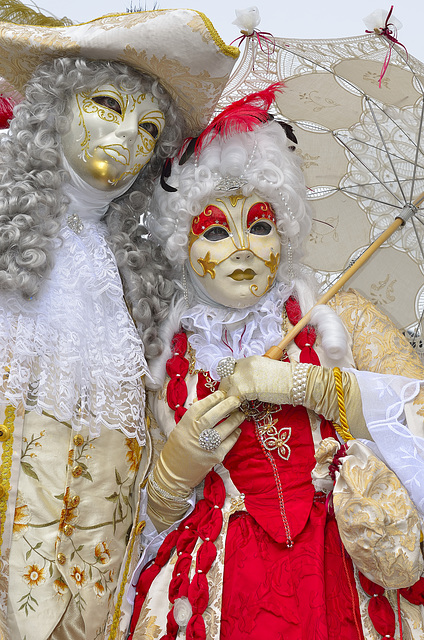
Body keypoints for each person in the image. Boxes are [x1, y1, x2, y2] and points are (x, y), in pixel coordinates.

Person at [127, 86, 424, 640]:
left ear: (283, 233)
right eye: (216, 230)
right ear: (182, 243)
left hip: (343, 567)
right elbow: (131, 519)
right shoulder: (162, 358)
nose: (242, 246)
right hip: (218, 587)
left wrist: (312, 386)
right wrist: (174, 469)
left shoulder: (341, 318)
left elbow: (420, 415)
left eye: (258, 224)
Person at [0, 9, 239, 640]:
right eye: (108, 104)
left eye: (150, 126)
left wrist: (175, 468)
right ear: (56, 103)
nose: (129, 136)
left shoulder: (135, 283)